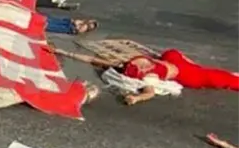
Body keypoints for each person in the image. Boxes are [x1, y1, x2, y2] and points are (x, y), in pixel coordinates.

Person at [59, 47, 239, 105]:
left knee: (171, 52)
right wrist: (137, 98)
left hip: (176, 62)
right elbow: (149, 92)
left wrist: (64, 51)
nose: (142, 62)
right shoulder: (149, 76)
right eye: (140, 65)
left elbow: (93, 59)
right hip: (188, 74)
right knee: (222, 79)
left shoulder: (134, 63)